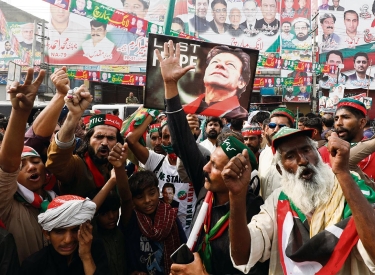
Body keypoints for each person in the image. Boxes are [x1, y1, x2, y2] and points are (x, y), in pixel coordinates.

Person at [155, 41, 268, 274]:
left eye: (215, 165)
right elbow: (183, 142)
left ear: (236, 174)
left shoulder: (253, 212)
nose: (205, 167)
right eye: (215, 62)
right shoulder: (206, 190)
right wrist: (170, 86)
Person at [228, 127, 375, 274]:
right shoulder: (278, 201)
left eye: (306, 150)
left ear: (317, 153)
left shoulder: (350, 185)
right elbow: (243, 256)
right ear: (280, 170)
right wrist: (237, 196)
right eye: (290, 156)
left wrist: (343, 173)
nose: (303, 160)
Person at [126, 112, 197, 234]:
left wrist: (187, 133)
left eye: (174, 136)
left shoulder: (195, 162)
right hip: (162, 232)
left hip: (189, 234)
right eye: (165, 137)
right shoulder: (157, 161)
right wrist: (151, 112)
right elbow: (131, 140)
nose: (170, 141)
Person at [46, 86, 124, 197]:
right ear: (88, 140)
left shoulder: (114, 165)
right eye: (99, 137)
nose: (105, 143)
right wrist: (73, 116)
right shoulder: (77, 165)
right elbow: (56, 163)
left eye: (111, 138)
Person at [20, 195, 109, 274]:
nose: (68, 240)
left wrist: (86, 257)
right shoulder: (33, 265)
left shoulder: (95, 250)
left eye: (75, 230)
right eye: (59, 231)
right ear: (47, 234)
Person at [182, 45, 252, 119]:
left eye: (230, 64)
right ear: (205, 74)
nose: (219, 65)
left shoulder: (240, 116)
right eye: (215, 62)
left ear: (241, 82)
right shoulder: (183, 110)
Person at [319, 98, 375, 182]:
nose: (338, 123)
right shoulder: (323, 152)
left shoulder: (372, 152)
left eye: (345, 117)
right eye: (336, 118)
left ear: (362, 122)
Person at [258, 108, 294, 200]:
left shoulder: (297, 156)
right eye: (272, 125)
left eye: (282, 126)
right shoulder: (263, 154)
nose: (276, 130)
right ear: (266, 129)